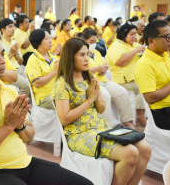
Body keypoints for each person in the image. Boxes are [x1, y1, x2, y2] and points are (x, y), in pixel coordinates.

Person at [0, 29, 93, 185]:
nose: (2, 61)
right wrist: (8, 125)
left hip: (25, 164)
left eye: (2, 55)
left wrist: (19, 125)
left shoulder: (9, 91)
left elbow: (29, 137)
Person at [51, 37, 151, 185]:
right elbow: (64, 119)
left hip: (101, 128)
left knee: (145, 148)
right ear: (70, 57)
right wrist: (89, 100)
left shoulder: (88, 77)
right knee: (130, 153)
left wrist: (96, 97)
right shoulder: (62, 83)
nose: (87, 59)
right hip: (79, 134)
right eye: (82, 55)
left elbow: (102, 108)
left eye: (87, 54)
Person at [81, 28, 135, 128]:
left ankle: (127, 122)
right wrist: (97, 68)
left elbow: (103, 65)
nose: (93, 44)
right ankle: (107, 126)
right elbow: (80, 71)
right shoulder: (80, 54)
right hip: (91, 82)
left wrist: (103, 70)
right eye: (91, 41)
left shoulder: (96, 53)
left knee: (122, 92)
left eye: (95, 41)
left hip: (103, 80)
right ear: (84, 41)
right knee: (105, 96)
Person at [135, 20, 170, 130]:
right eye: (167, 37)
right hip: (164, 114)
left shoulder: (165, 57)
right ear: (152, 41)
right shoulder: (145, 64)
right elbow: (150, 98)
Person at [106, 23, 147, 126]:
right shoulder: (116, 46)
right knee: (143, 88)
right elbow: (120, 62)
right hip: (124, 80)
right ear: (123, 35)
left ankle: (148, 115)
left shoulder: (134, 45)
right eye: (131, 34)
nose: (134, 37)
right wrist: (136, 51)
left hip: (137, 77)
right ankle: (139, 116)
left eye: (135, 34)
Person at [26, 29, 59, 110]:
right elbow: (37, 83)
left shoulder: (53, 56)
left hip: (59, 91)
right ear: (38, 42)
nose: (50, 41)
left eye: (50, 38)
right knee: (67, 102)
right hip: (45, 97)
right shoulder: (33, 60)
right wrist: (54, 71)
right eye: (47, 39)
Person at [0, 18, 30, 97]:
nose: (13, 29)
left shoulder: (14, 42)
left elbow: (21, 62)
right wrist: (12, 53)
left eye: (13, 26)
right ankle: (15, 103)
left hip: (18, 69)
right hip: (8, 71)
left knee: (33, 83)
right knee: (27, 85)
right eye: (10, 27)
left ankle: (27, 106)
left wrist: (16, 54)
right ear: (3, 30)